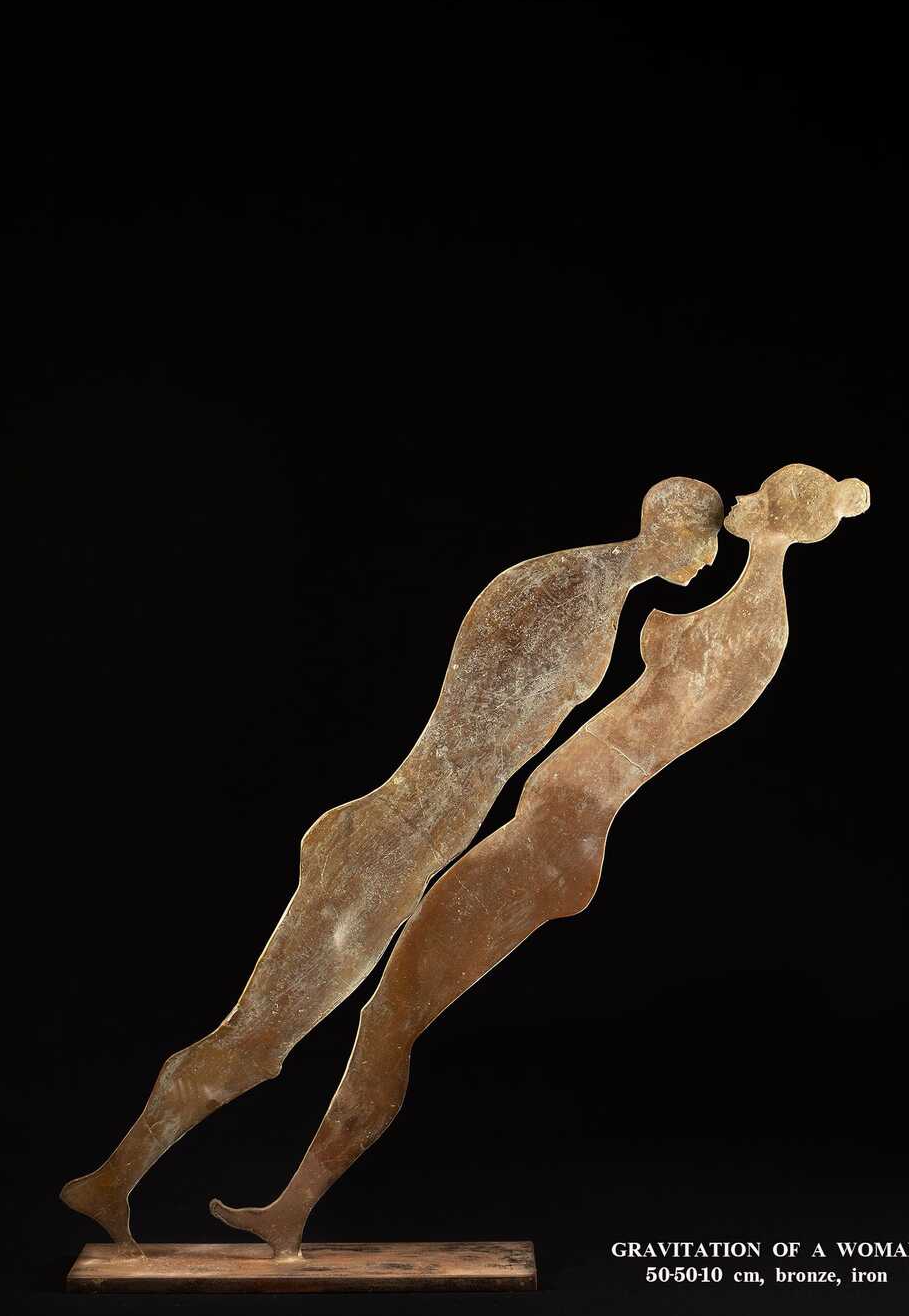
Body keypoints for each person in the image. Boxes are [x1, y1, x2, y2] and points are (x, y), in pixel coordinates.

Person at [210, 463, 869, 1258]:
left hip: (555, 840)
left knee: (389, 1017)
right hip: (551, 829)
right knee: (387, 1014)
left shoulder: (754, 625)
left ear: (781, 522)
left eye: (760, 498)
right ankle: (290, 1209)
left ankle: (293, 1209)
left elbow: (662, 715)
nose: (743, 500)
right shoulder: (748, 612)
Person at [62, 476, 724, 1250]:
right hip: (385, 848)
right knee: (259, 1041)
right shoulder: (560, 586)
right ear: (678, 530)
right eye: (711, 541)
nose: (712, 560)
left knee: (269, 1040)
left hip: (407, 847)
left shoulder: (592, 592)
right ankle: (109, 1181)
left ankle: (123, 1183)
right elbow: (469, 733)